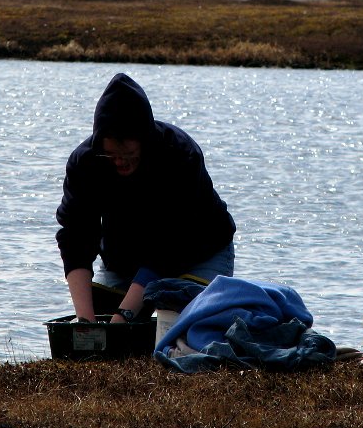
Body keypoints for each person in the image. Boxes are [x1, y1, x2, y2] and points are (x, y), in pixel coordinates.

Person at [56, 73, 236, 324]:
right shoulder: (85, 162)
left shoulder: (180, 154)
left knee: (178, 322)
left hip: (198, 251)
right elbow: (76, 235)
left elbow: (169, 244)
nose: (119, 161)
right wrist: (85, 321)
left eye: (128, 153)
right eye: (111, 154)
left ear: (144, 140)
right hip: (124, 260)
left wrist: (124, 315)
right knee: (101, 321)